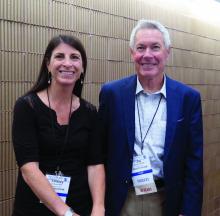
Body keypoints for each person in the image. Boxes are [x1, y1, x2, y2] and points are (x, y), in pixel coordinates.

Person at [99, 19, 203, 216]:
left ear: (167, 52)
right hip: (122, 199)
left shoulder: (188, 98)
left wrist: (188, 211)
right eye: (140, 48)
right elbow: (100, 152)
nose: (147, 55)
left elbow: (194, 162)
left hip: (167, 200)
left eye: (155, 47)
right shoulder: (112, 94)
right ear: (132, 53)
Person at [12, 35, 105, 216]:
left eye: (75, 57)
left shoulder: (89, 112)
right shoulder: (26, 106)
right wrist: (66, 213)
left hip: (81, 207)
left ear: (82, 67)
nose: (67, 63)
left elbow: (95, 164)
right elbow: (28, 168)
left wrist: (98, 208)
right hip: (35, 209)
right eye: (60, 56)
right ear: (48, 64)